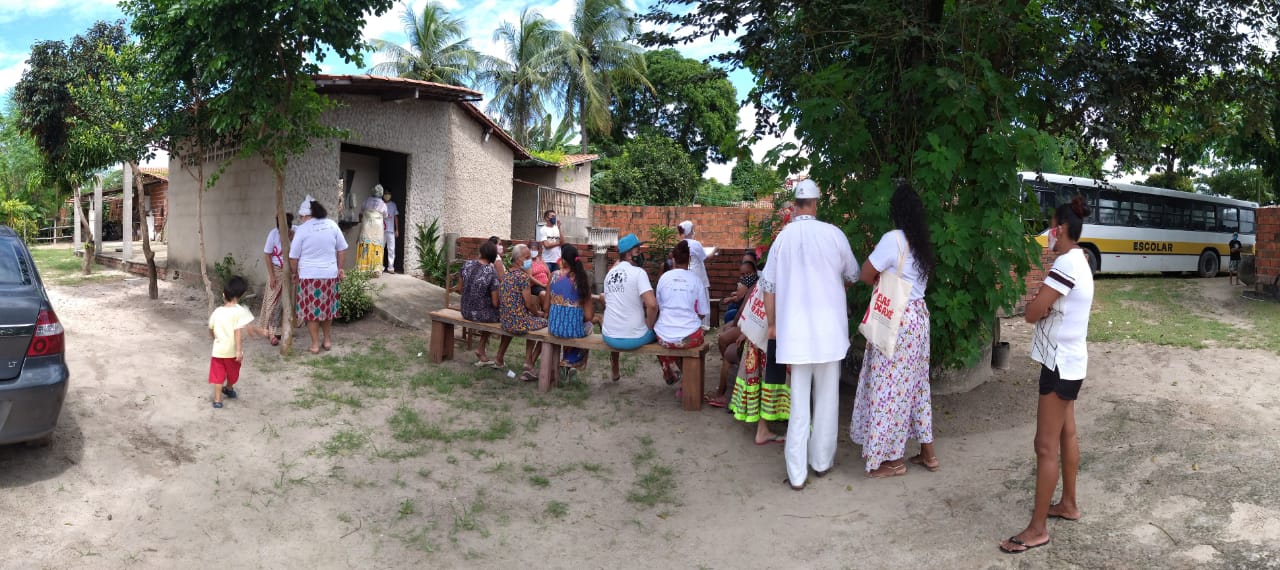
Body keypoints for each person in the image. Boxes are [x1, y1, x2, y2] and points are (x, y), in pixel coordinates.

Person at [1000, 196, 1095, 554]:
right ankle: (1068, 503)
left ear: (1062, 229)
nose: (1048, 234)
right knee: (1067, 433)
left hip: (1059, 365)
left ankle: (1037, 529)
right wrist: (1040, 302)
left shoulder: (1066, 264)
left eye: (1051, 227)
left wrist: (1036, 301)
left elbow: (1032, 312)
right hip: (1071, 362)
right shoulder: (1081, 260)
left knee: (1044, 445)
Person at [763, 179, 860, 491]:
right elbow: (853, 274)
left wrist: (773, 324)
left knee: (798, 403)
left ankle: (796, 474)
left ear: (794, 205)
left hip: (794, 335)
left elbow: (768, 287)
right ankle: (821, 462)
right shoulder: (834, 234)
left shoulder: (783, 239)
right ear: (817, 203)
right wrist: (833, 288)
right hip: (830, 333)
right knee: (827, 400)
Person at [849, 182, 939, 478]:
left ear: (896, 211)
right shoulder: (921, 243)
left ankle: (892, 460)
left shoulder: (893, 239)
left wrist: (880, 280)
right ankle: (928, 454)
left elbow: (865, 274)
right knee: (917, 385)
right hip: (918, 319)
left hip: (896, 319)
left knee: (889, 389)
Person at [290, 199, 348, 354]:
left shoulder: (302, 229)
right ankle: (327, 340)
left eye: (301, 216)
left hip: (309, 277)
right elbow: (342, 249)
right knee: (327, 310)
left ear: (306, 215)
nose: (301, 219)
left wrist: (295, 273)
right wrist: (339, 268)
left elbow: (293, 257)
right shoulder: (332, 225)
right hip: (329, 275)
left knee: (312, 313)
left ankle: (315, 344)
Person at [602, 234, 658, 382]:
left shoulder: (609, 275)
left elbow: (607, 301)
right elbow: (652, 305)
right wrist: (650, 324)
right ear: (628, 255)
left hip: (609, 336)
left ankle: (615, 365)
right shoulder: (639, 273)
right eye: (637, 251)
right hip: (635, 338)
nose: (640, 254)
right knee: (661, 330)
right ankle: (668, 371)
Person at [654, 241, 709, 390]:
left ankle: (669, 367)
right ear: (689, 259)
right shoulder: (696, 280)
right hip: (690, 338)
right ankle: (686, 380)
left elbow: (658, 307)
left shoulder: (663, 278)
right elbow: (702, 313)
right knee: (691, 337)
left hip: (664, 337)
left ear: (673, 259)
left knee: (659, 335)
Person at [207, 276, 263, 409]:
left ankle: (217, 400)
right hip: (232, 352)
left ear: (223, 294)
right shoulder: (239, 310)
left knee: (218, 376)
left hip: (218, 351)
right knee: (233, 373)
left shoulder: (217, 311)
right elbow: (238, 331)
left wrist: (215, 338)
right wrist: (238, 350)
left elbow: (211, 328)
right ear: (241, 295)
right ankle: (229, 388)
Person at [496, 244, 547, 380]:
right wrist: (538, 314)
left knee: (526, 319)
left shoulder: (506, 275)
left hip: (505, 321)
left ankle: (499, 358)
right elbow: (529, 304)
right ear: (518, 259)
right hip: (519, 323)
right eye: (527, 257)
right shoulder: (523, 277)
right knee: (547, 326)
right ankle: (529, 363)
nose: (530, 260)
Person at [548, 244, 595, 375]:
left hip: (553, 327)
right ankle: (573, 360)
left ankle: (566, 361)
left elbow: (546, 307)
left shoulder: (553, 276)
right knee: (589, 326)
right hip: (574, 330)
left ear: (563, 260)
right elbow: (589, 316)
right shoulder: (582, 280)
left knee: (568, 327)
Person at [460, 240, 502, 368]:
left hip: (464, 310)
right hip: (478, 314)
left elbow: (460, 288)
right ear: (493, 256)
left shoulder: (467, 264)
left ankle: (481, 350)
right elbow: (495, 303)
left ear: (481, 252)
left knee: (490, 311)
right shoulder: (492, 272)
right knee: (497, 314)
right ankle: (481, 348)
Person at [259, 213, 294, 346]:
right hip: (276, 270)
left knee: (286, 302)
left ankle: (281, 329)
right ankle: (271, 333)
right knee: (272, 300)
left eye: (286, 230)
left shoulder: (296, 233)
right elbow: (267, 255)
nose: (283, 233)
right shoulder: (273, 234)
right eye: (281, 231)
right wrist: (272, 276)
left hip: (290, 271)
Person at [677, 220, 712, 328]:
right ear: (691, 230)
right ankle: (703, 325)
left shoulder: (680, 244)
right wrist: (714, 251)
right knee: (702, 299)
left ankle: (689, 323)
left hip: (686, 274)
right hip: (698, 273)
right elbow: (704, 257)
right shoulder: (695, 243)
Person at [357, 184, 388, 276]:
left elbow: (361, 213)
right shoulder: (383, 204)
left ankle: (363, 268)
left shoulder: (366, 201)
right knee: (377, 246)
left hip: (366, 227)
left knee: (365, 245)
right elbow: (385, 215)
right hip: (377, 229)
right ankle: (376, 269)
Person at [527, 240, 551, 314]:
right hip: (535, 286)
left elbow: (548, 272)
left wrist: (549, 283)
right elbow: (530, 276)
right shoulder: (527, 262)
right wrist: (543, 285)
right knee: (543, 294)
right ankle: (546, 312)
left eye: (535, 249)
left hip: (546, 284)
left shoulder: (541, 260)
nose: (533, 251)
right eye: (531, 249)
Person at [383, 191, 399, 274]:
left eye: (388, 193)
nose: (387, 195)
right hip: (381, 231)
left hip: (391, 230)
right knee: (380, 248)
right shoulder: (381, 203)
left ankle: (391, 267)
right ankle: (379, 266)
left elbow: (396, 217)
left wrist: (397, 229)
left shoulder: (393, 205)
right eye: (385, 193)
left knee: (391, 249)